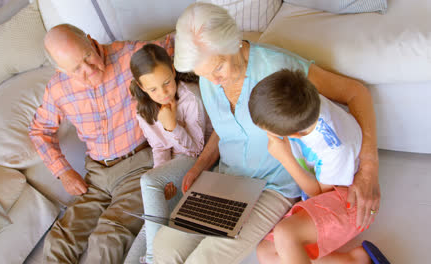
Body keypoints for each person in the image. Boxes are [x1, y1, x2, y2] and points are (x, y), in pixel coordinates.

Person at [151, 3, 380, 264]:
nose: (213, 80)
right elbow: (225, 128)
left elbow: (355, 92)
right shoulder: (208, 79)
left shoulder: (278, 69)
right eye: (203, 74)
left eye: (218, 68)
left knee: (204, 260)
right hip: (225, 180)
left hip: (273, 187)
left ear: (234, 41)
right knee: (164, 248)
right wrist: (200, 166)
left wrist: (369, 169)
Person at [28, 24, 173, 263]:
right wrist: (63, 171)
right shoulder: (58, 89)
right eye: (76, 69)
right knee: (59, 240)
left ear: (89, 39)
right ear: (60, 69)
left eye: (87, 56)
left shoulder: (130, 55)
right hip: (96, 175)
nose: (89, 69)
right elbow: (39, 131)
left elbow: (173, 47)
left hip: (138, 165)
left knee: (108, 237)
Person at [250, 69, 387, 264]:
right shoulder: (305, 101)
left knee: (285, 234)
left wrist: (285, 157)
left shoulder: (334, 148)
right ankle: (357, 260)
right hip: (328, 198)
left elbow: (320, 194)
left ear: (295, 134)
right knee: (266, 252)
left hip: (349, 201)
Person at [128, 44, 212, 263]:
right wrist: (162, 178)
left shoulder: (190, 98)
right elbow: (159, 148)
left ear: (173, 71)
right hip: (175, 164)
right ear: (142, 86)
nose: (163, 93)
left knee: (147, 181)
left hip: (199, 161)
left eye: (167, 83)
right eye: (153, 89)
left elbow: (196, 151)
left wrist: (172, 126)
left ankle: (153, 259)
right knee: (151, 221)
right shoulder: (143, 109)